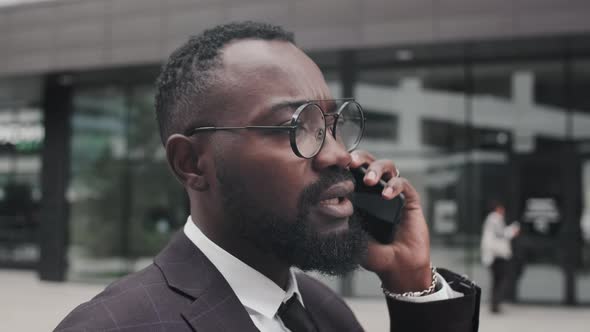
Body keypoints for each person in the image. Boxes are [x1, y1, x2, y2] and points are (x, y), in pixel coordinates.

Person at [55, 22, 480, 332]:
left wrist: (413, 283)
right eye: (297, 126)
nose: (337, 153)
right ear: (191, 162)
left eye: (332, 125)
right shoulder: (114, 326)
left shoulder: (326, 312)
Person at [480, 201, 520, 313]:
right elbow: (501, 234)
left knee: (497, 281)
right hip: (497, 255)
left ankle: (495, 304)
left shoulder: (492, 219)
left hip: (495, 255)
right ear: (498, 208)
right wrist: (513, 231)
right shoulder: (494, 218)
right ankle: (495, 304)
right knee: (501, 280)